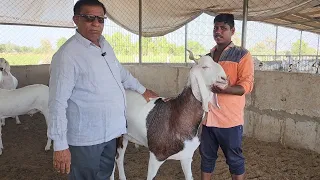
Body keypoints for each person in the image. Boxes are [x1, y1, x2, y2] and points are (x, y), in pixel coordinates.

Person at [47, 0, 158, 179]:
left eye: (101, 19)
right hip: (86, 138)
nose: (96, 24)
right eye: (89, 18)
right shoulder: (67, 55)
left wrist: (142, 90)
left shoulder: (105, 45)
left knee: (105, 175)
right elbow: (57, 103)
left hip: (111, 133)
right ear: (76, 19)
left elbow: (121, 73)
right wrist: (60, 145)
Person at [200, 13, 254, 180]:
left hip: (229, 121)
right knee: (206, 158)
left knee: (235, 160)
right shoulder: (207, 57)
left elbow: (246, 86)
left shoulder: (242, 55)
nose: (218, 31)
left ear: (232, 31)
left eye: (223, 28)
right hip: (208, 119)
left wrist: (226, 89)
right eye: (216, 28)